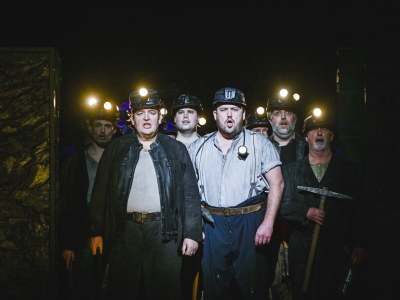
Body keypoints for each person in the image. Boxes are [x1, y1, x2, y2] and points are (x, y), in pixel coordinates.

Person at [88, 88, 203, 300]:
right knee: (122, 291)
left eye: (152, 112)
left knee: (166, 292)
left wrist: (192, 233)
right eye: (140, 113)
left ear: (160, 117)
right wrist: (97, 231)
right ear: (132, 118)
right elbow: (100, 192)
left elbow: (190, 194)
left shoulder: (176, 149)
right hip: (125, 232)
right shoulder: (117, 149)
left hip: (164, 232)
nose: (147, 118)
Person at [188, 87, 284, 299]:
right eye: (223, 109)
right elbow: (188, 192)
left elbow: (277, 183)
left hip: (250, 222)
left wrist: (268, 223)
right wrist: (194, 228)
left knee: (252, 288)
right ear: (215, 115)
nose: (229, 114)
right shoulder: (198, 147)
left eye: (235, 109)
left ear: (244, 114)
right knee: (215, 289)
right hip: (213, 225)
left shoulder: (259, 143)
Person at [280, 109, 365, 300]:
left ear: (331, 136)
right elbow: (282, 204)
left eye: (324, 130)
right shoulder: (291, 171)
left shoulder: (348, 171)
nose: (318, 133)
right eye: (313, 130)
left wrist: (359, 244)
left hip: (337, 252)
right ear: (306, 137)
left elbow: (359, 209)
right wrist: (305, 212)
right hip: (302, 252)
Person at [59, 99, 119, 299]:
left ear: (114, 128)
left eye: (107, 126)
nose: (103, 131)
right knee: (84, 289)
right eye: (98, 125)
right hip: (83, 236)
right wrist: (68, 243)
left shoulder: (121, 160)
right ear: (90, 127)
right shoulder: (75, 161)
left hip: (115, 235)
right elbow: (67, 202)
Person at [266, 97, 308, 293]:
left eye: (288, 113)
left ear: (295, 118)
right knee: (268, 278)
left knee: (302, 279)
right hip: (268, 222)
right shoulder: (259, 147)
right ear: (269, 119)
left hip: (301, 222)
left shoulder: (309, 148)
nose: (283, 117)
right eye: (277, 113)